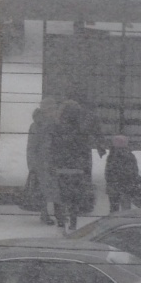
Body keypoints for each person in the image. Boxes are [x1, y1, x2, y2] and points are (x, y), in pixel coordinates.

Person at [50, 95, 98, 231]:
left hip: (61, 168)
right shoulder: (81, 130)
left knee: (61, 196)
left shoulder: (57, 128)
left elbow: (52, 148)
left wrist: (54, 164)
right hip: (76, 170)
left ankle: (61, 221)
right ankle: (73, 222)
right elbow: (85, 151)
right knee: (74, 198)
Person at [22, 98, 60, 224]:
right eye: (51, 109)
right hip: (42, 163)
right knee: (44, 190)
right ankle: (45, 214)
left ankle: (57, 213)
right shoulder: (37, 125)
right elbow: (31, 147)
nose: (54, 111)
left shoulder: (55, 123)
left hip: (52, 161)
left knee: (55, 188)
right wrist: (32, 165)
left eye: (54, 108)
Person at [104, 134, 141, 212]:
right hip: (126, 187)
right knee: (126, 209)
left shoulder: (111, 156)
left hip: (113, 187)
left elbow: (108, 172)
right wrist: (135, 180)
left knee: (114, 208)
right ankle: (124, 220)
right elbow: (133, 171)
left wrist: (112, 182)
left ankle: (114, 221)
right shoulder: (129, 156)